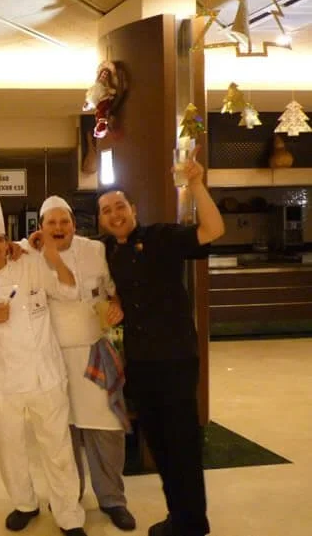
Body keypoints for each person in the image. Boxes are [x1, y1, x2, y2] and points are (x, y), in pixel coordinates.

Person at [97, 150, 224, 536]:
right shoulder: (106, 252)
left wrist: (197, 184)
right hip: (140, 363)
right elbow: (102, 287)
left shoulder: (162, 237)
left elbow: (213, 230)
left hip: (175, 358)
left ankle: (193, 523)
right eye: (107, 210)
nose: (115, 214)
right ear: (101, 220)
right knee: (160, 446)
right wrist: (113, 302)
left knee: (183, 445)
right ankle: (180, 518)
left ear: (133, 209)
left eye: (120, 206)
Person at [0, 186, 89, 536]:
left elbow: (69, 289)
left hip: (45, 374)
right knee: (10, 447)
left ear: (6, 240)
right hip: (2, 381)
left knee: (57, 447)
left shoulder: (30, 263)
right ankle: (24, 503)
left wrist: (48, 252)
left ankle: (68, 514)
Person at [35, 196, 136, 532]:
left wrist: (116, 306)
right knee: (62, 434)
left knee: (106, 430)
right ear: (41, 227)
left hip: (94, 350)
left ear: (74, 225)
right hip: (52, 357)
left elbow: (111, 291)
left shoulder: (95, 250)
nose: (59, 228)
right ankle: (68, 496)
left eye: (65, 222)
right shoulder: (30, 254)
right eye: (52, 223)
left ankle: (113, 500)